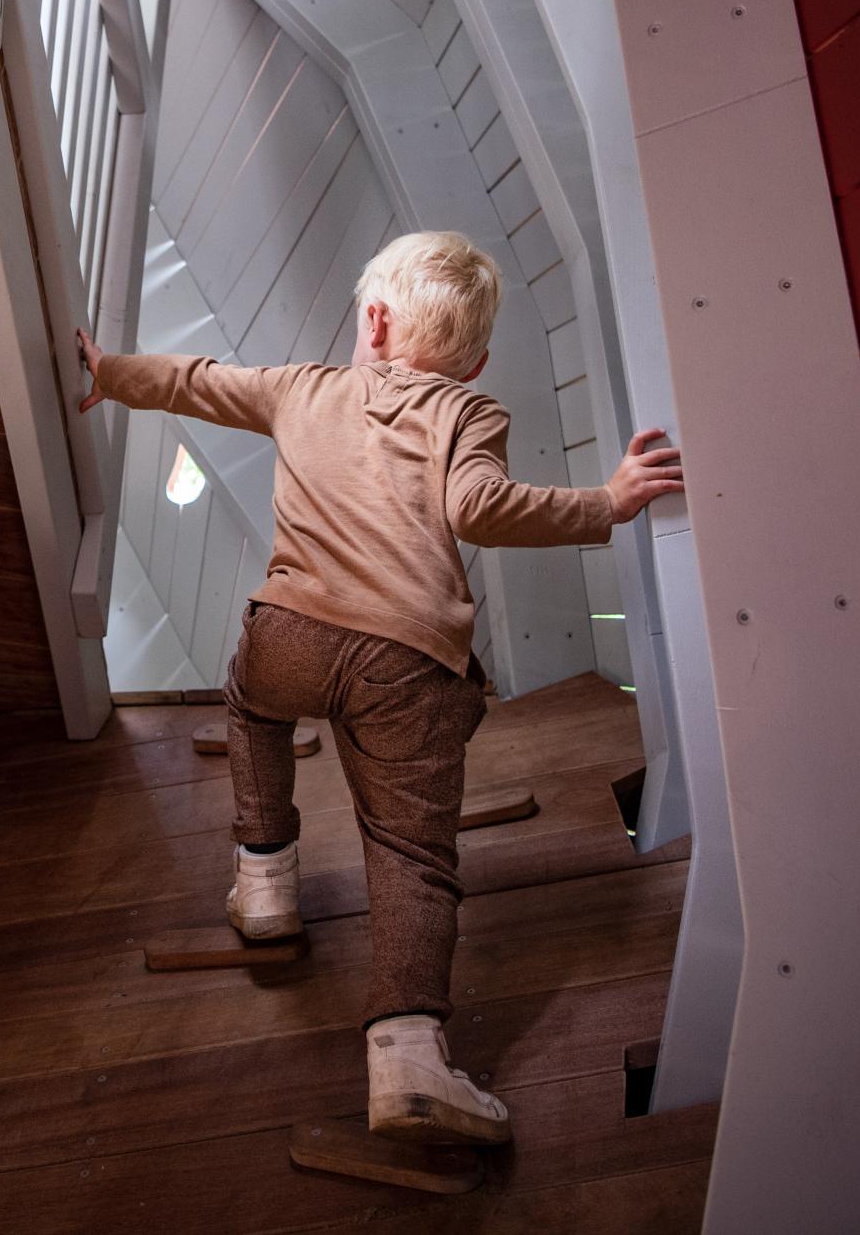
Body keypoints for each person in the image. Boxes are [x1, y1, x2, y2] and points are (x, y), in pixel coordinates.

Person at [75, 230, 682, 1144]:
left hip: (290, 630)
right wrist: (608, 501)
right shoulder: (470, 413)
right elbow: (479, 508)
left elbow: (198, 381)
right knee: (409, 851)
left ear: (374, 318)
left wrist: (107, 371)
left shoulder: (300, 387)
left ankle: (266, 877)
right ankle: (408, 1057)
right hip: (408, 661)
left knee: (250, 702)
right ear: (474, 360)